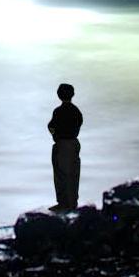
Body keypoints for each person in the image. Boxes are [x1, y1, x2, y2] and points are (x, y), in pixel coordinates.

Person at [47, 81, 83, 211]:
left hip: (62, 144)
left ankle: (64, 203)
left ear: (59, 95)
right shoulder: (76, 111)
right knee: (73, 174)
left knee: (61, 175)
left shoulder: (58, 111)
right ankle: (72, 202)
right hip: (74, 143)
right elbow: (79, 123)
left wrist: (55, 135)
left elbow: (50, 126)